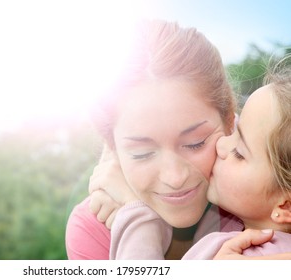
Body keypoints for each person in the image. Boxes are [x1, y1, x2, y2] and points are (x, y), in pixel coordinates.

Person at [65, 20, 288, 260]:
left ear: (228, 121)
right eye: (141, 153)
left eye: (196, 143)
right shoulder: (92, 231)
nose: (174, 178)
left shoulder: (256, 179)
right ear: (113, 148)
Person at [182, 65, 291, 259]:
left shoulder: (224, 255)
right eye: (233, 131)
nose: (221, 144)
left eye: (239, 153)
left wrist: (136, 215)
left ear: (285, 206)